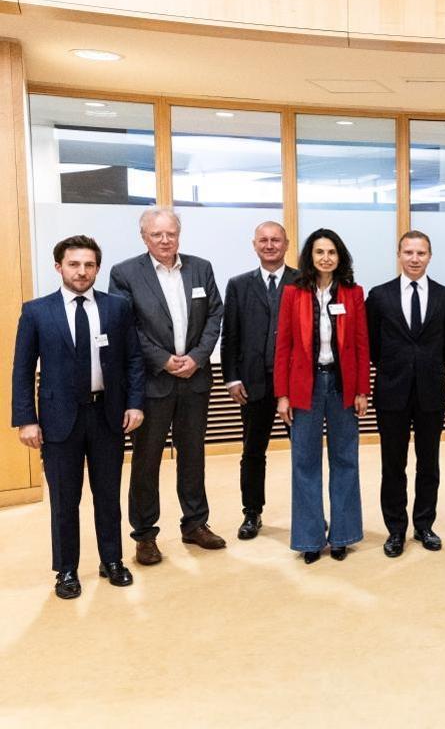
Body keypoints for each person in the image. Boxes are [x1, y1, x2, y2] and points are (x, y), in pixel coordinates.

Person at [12, 236, 145, 599]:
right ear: (59, 267)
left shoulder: (117, 308)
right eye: (74, 264)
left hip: (108, 416)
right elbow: (22, 370)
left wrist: (135, 403)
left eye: (89, 265)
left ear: (97, 268)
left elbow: (133, 360)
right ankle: (67, 570)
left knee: (107, 496)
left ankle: (112, 560)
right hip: (58, 421)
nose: (82, 271)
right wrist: (27, 419)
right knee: (65, 501)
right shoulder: (37, 311)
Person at [109, 208, 225, 565]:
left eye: (170, 233)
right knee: (146, 461)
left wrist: (198, 357)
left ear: (179, 235)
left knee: (193, 455)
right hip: (151, 382)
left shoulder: (200, 268)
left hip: (195, 379)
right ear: (144, 237)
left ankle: (195, 523)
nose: (165, 240)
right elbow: (126, 325)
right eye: (156, 234)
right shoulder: (125, 273)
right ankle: (145, 535)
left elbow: (215, 315)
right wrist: (162, 359)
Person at [274, 229, 370, 564]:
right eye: (319, 252)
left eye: (331, 252)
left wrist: (362, 390)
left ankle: (343, 534)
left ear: (339, 256)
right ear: (309, 257)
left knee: (345, 459)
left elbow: (360, 345)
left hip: (342, 386)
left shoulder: (353, 294)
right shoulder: (293, 294)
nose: (326, 257)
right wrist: (282, 395)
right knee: (304, 463)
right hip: (305, 387)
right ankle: (310, 537)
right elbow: (283, 346)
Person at [367, 230, 445, 556]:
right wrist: (397, 367)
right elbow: (373, 346)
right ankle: (395, 529)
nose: (415, 259)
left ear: (429, 256)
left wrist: (425, 366)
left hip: (431, 391)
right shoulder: (379, 296)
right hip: (391, 391)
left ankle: (424, 525)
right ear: (399, 255)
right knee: (393, 465)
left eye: (421, 253)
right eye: (409, 253)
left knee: (428, 463)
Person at [220, 221, 296, 541]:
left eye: (275, 240)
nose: (269, 245)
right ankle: (252, 513)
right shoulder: (238, 285)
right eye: (263, 240)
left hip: (294, 384)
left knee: (303, 451)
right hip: (253, 383)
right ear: (254, 245)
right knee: (253, 450)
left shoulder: (302, 283)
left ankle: (308, 512)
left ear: (286, 244)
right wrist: (231, 378)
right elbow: (230, 336)